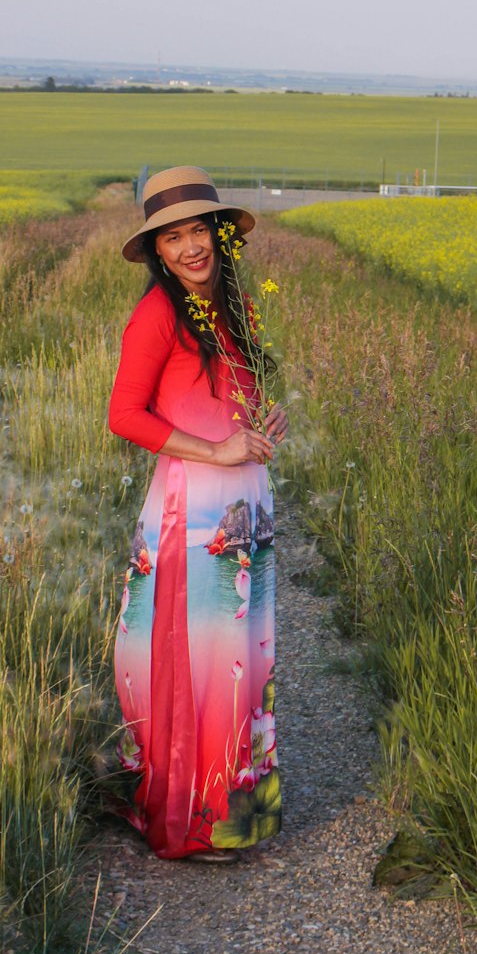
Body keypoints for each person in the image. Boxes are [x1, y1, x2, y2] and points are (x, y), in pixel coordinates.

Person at [108, 166, 287, 863]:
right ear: (158, 251)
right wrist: (215, 447)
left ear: (220, 235)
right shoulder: (156, 315)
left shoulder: (230, 307)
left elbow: (220, 395)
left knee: (239, 662)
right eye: (172, 237)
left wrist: (257, 420)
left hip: (243, 505)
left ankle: (233, 811)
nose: (189, 248)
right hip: (194, 510)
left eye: (198, 231)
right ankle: (190, 819)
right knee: (197, 660)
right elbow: (124, 415)